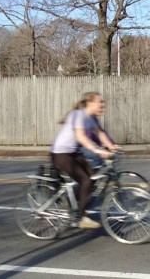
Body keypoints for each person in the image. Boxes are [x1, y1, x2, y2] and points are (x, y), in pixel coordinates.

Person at [50, 91, 115, 229]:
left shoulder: (90, 118)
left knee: (92, 178)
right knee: (86, 180)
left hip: (72, 153)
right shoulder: (78, 115)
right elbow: (81, 137)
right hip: (61, 154)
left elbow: (100, 133)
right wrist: (97, 150)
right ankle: (81, 217)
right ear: (90, 103)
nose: (103, 104)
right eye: (100, 102)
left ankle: (72, 205)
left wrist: (112, 146)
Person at [78, 99, 120, 169]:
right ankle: (88, 177)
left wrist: (111, 145)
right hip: (77, 146)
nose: (104, 110)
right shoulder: (84, 117)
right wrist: (102, 147)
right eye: (101, 107)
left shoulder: (93, 117)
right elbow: (91, 135)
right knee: (97, 156)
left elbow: (100, 132)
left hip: (84, 144)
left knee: (107, 157)